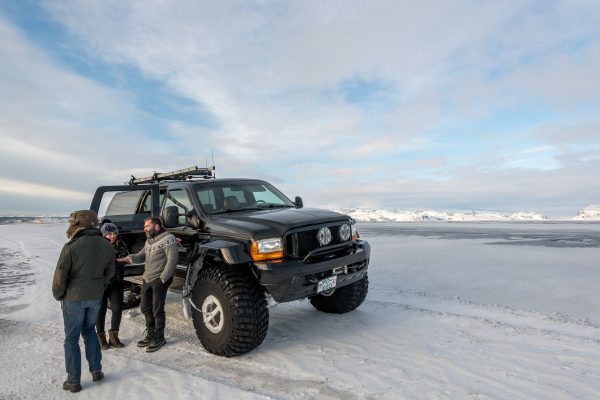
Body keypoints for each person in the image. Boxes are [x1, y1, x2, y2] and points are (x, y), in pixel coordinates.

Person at [52, 210, 115, 393]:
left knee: (71, 339)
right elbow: (110, 272)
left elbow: (60, 275)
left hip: (74, 297)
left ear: (78, 225)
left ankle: (73, 381)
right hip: (95, 296)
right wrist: (99, 287)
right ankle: (96, 371)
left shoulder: (71, 246)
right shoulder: (107, 246)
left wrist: (59, 294)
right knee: (89, 331)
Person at [117, 217, 177, 352]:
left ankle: (159, 336)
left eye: (147, 226)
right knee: (145, 307)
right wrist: (130, 258)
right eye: (145, 226)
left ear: (156, 226)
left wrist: (163, 278)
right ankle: (150, 333)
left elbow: (172, 260)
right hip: (147, 278)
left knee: (157, 309)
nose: (144, 229)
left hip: (160, 279)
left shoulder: (169, 238)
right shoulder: (149, 241)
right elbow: (141, 256)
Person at [96, 222, 129, 350]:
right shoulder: (97, 245)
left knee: (117, 308)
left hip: (116, 281)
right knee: (101, 309)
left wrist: (119, 260)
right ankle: (101, 339)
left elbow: (125, 256)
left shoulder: (120, 243)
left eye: (114, 233)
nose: (112, 236)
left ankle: (114, 337)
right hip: (101, 283)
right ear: (104, 234)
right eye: (109, 234)